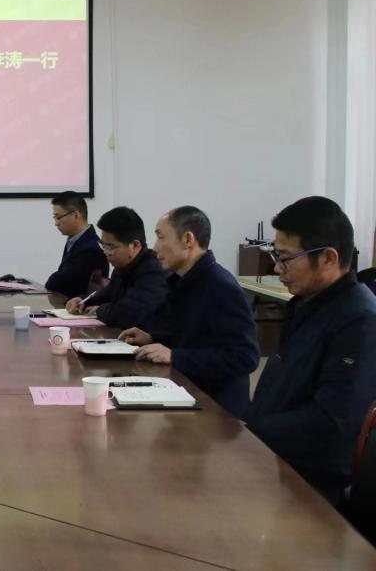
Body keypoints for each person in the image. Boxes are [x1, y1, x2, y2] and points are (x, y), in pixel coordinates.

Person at [246, 196, 376, 505]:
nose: (277, 268)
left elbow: (332, 422)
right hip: (275, 457)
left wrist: (251, 431)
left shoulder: (359, 320)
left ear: (329, 258)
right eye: (276, 256)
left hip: (314, 482)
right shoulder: (307, 304)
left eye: (286, 259)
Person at [119, 206, 259, 418]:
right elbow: (195, 336)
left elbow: (245, 357)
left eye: (161, 237)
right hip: (184, 391)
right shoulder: (182, 281)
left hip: (215, 411)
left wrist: (175, 356)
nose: (155, 248)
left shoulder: (220, 286)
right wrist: (152, 338)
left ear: (187, 239)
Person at [65, 206, 167, 329]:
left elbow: (128, 315)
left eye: (111, 247)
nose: (105, 252)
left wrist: (100, 310)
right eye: (103, 245)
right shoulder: (122, 266)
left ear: (135, 246)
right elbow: (105, 296)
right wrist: (82, 301)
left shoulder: (152, 271)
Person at [45, 191, 109, 297]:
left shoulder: (90, 249)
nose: (56, 223)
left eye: (59, 217)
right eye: (54, 217)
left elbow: (59, 283)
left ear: (75, 215)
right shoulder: (76, 240)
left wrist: (53, 279)